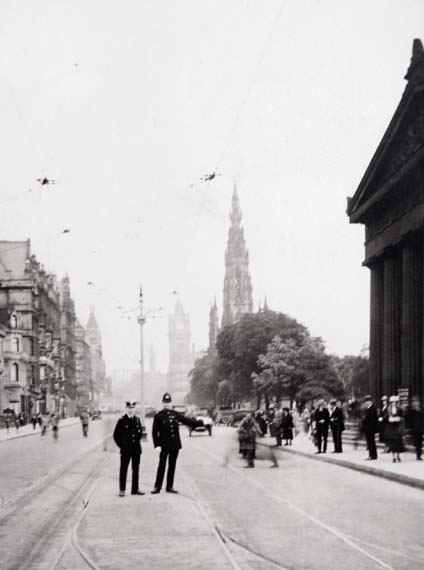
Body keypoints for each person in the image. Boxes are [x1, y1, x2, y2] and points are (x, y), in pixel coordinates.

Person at [151, 392, 203, 494]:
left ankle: (169, 486)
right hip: (163, 445)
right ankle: (157, 487)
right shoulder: (158, 416)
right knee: (162, 465)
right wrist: (156, 445)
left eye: (168, 402)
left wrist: (198, 422)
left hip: (174, 445)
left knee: (172, 465)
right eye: (165, 402)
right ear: (162, 403)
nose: (167, 404)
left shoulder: (175, 414)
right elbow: (154, 432)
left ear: (171, 403)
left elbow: (186, 420)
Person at [113, 401, 144, 497]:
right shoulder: (122, 420)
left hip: (136, 450)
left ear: (134, 409)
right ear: (126, 409)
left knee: (136, 470)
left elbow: (139, 435)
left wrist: (135, 444)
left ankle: (135, 489)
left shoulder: (137, 420)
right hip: (126, 450)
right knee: (123, 469)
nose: (131, 410)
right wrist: (122, 446)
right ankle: (122, 490)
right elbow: (116, 435)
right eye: (129, 408)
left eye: (132, 408)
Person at [384, 396, 404, 463]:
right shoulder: (388, 409)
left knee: (398, 443)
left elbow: (402, 417)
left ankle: (398, 455)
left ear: (396, 402)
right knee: (392, 443)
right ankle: (394, 457)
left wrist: (398, 418)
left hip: (397, 427)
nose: (393, 403)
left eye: (395, 402)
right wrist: (389, 419)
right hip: (390, 428)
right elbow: (385, 418)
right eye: (392, 402)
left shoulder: (399, 409)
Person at [362, 395, 379, 460]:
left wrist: (366, 424)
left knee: (371, 442)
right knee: (370, 442)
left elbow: (372, 420)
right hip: (368, 428)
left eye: (367, 401)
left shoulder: (372, 409)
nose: (366, 403)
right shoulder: (368, 409)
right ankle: (372, 455)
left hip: (370, 429)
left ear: (370, 401)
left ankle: (373, 456)